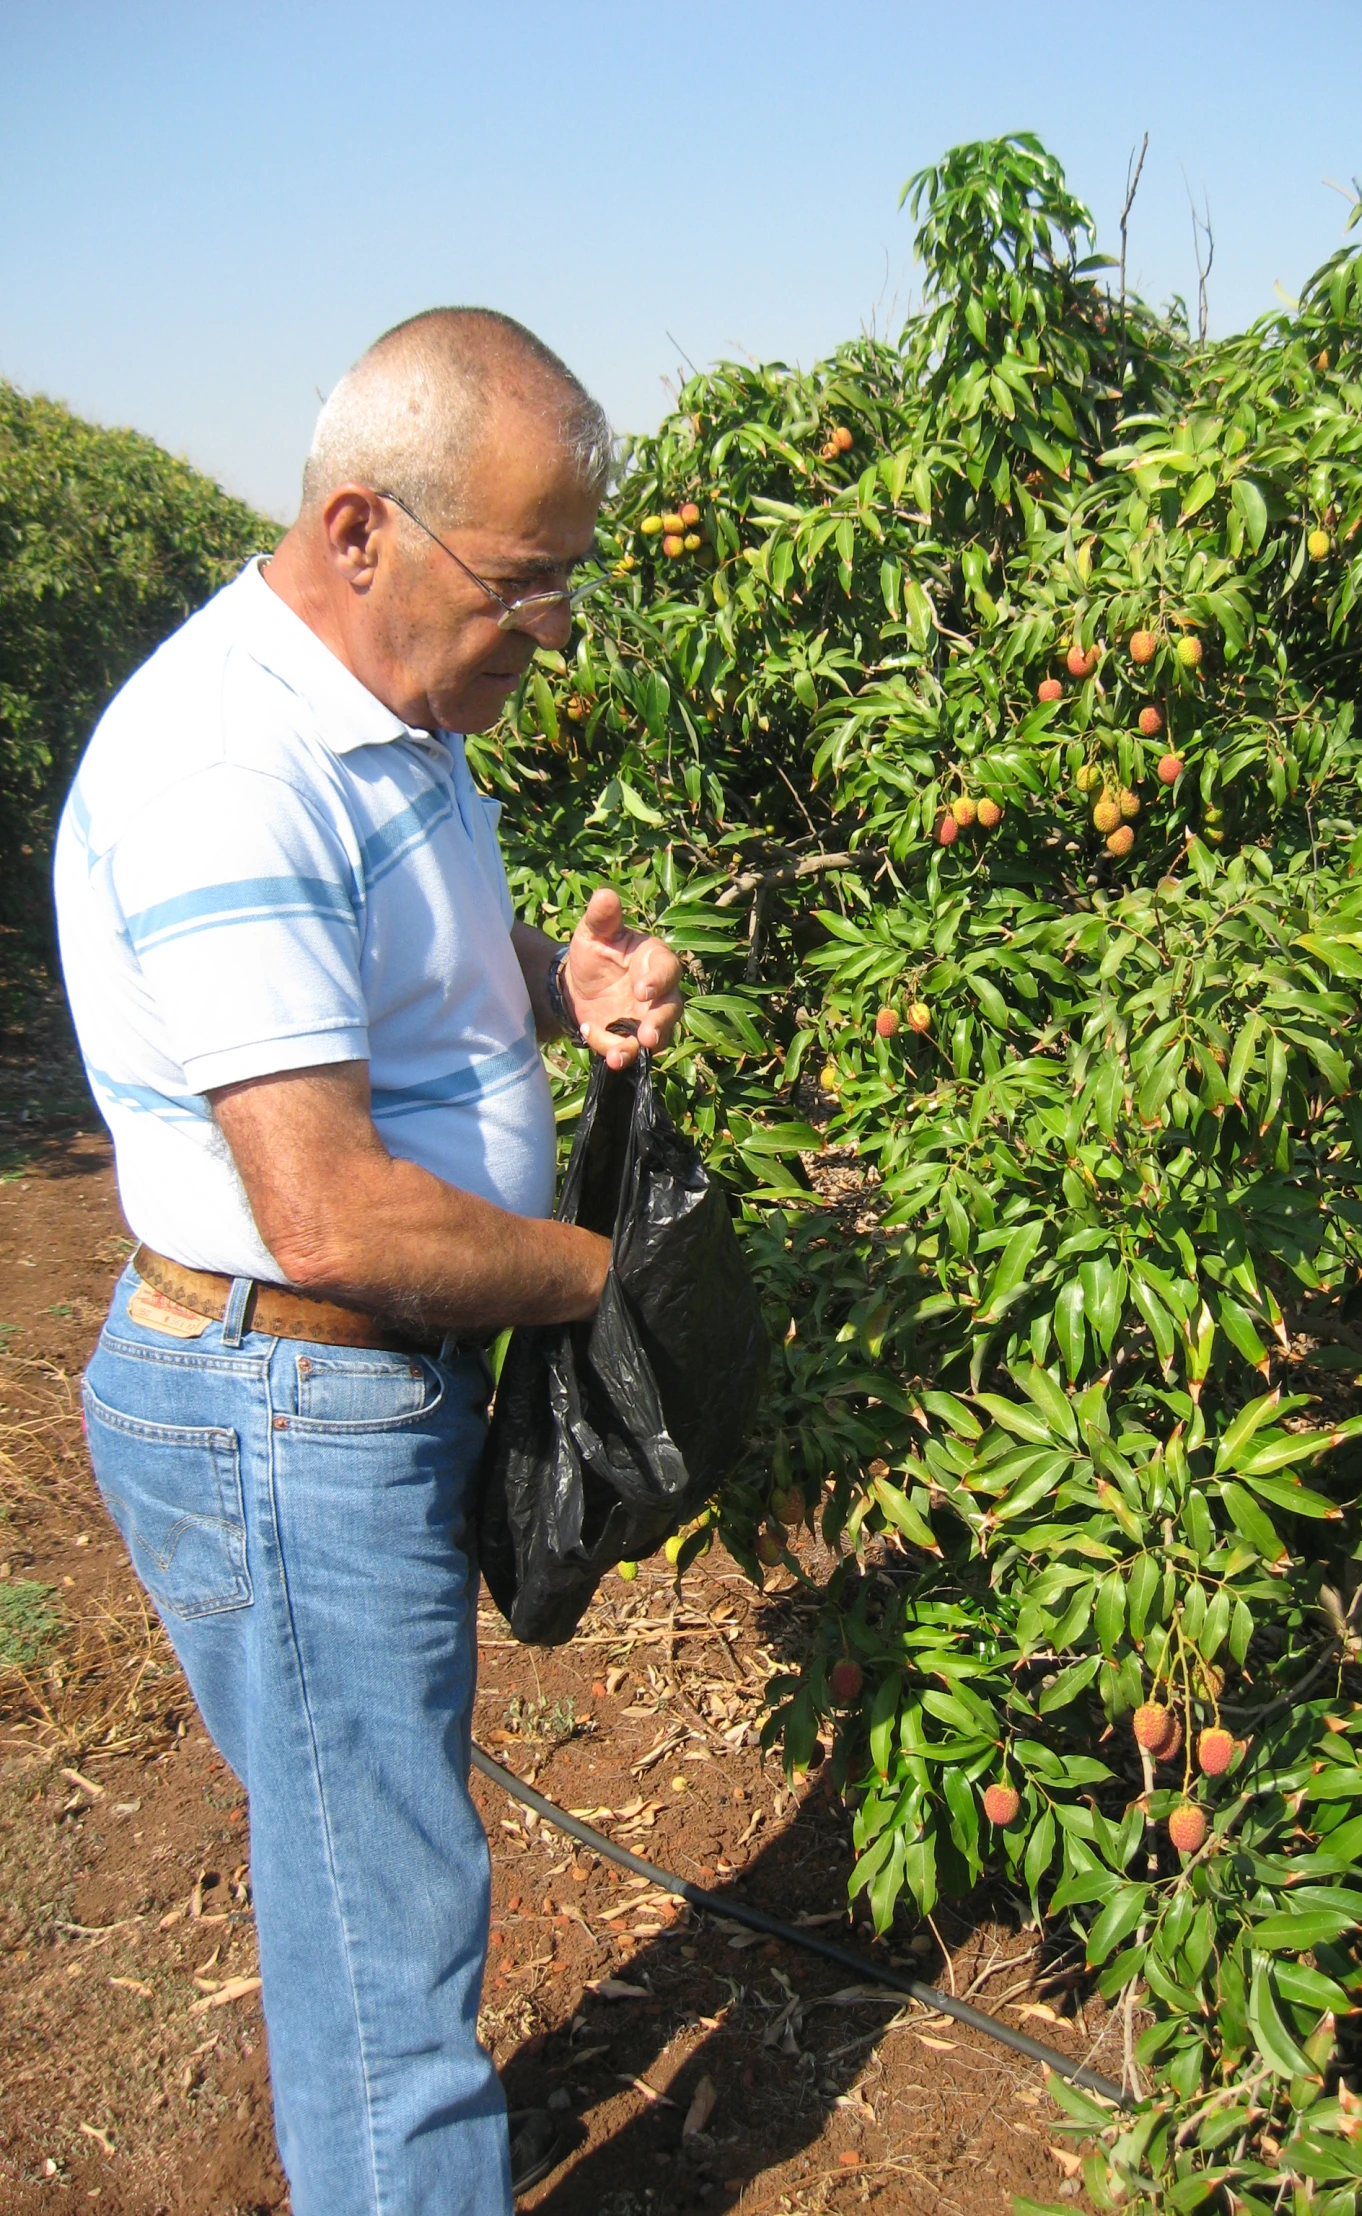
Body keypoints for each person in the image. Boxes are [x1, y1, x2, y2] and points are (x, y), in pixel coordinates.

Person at [53, 308, 682, 2215]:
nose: (552, 629)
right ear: (359, 530)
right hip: (286, 1405)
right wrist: (604, 1284)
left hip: (345, 1394)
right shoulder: (226, 765)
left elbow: (388, 1014)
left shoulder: (390, 719)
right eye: (526, 583)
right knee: (382, 1946)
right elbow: (322, 1205)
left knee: (366, 1869)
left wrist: (547, 999)